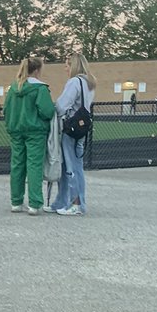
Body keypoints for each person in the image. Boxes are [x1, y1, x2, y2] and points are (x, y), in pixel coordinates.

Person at [3, 56, 55, 215]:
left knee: (17, 165)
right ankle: (35, 203)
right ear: (37, 70)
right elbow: (47, 111)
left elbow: (6, 109)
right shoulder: (40, 89)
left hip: (16, 130)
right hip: (35, 131)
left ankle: (16, 202)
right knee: (34, 166)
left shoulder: (13, 88)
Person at [47, 52, 96, 217]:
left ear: (74, 65)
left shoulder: (74, 82)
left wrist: (53, 108)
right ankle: (64, 202)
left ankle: (75, 203)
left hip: (70, 129)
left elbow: (62, 105)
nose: (65, 68)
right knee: (74, 165)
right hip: (81, 129)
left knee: (70, 167)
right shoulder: (89, 83)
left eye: (67, 65)